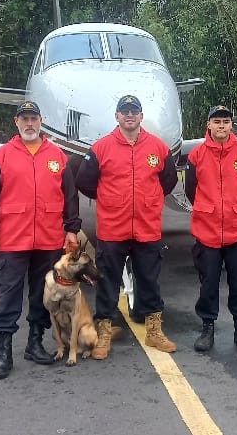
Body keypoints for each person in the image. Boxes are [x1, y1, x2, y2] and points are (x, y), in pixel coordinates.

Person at [0, 100, 81, 380]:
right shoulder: (2, 156)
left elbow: (70, 196)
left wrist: (71, 229)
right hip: (12, 238)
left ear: (41, 120)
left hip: (47, 239)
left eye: (34, 118)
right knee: (8, 294)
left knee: (41, 295)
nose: (30, 124)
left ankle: (35, 343)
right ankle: (4, 352)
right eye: (25, 119)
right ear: (16, 122)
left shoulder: (57, 156)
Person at [75, 94, 179, 357]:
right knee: (107, 282)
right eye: (125, 111)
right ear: (117, 116)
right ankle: (104, 335)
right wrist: (111, 201)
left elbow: (168, 181)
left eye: (134, 111)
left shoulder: (158, 148)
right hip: (113, 228)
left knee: (149, 280)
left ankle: (154, 332)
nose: (129, 115)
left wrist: (149, 200)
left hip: (146, 227)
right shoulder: (101, 148)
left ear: (141, 116)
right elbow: (84, 182)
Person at [184, 105, 237, 352]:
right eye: (216, 121)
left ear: (231, 125)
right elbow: (190, 189)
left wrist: (235, 206)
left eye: (226, 121)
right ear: (208, 125)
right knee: (208, 281)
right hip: (207, 229)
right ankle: (207, 327)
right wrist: (209, 208)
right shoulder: (196, 154)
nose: (221, 126)